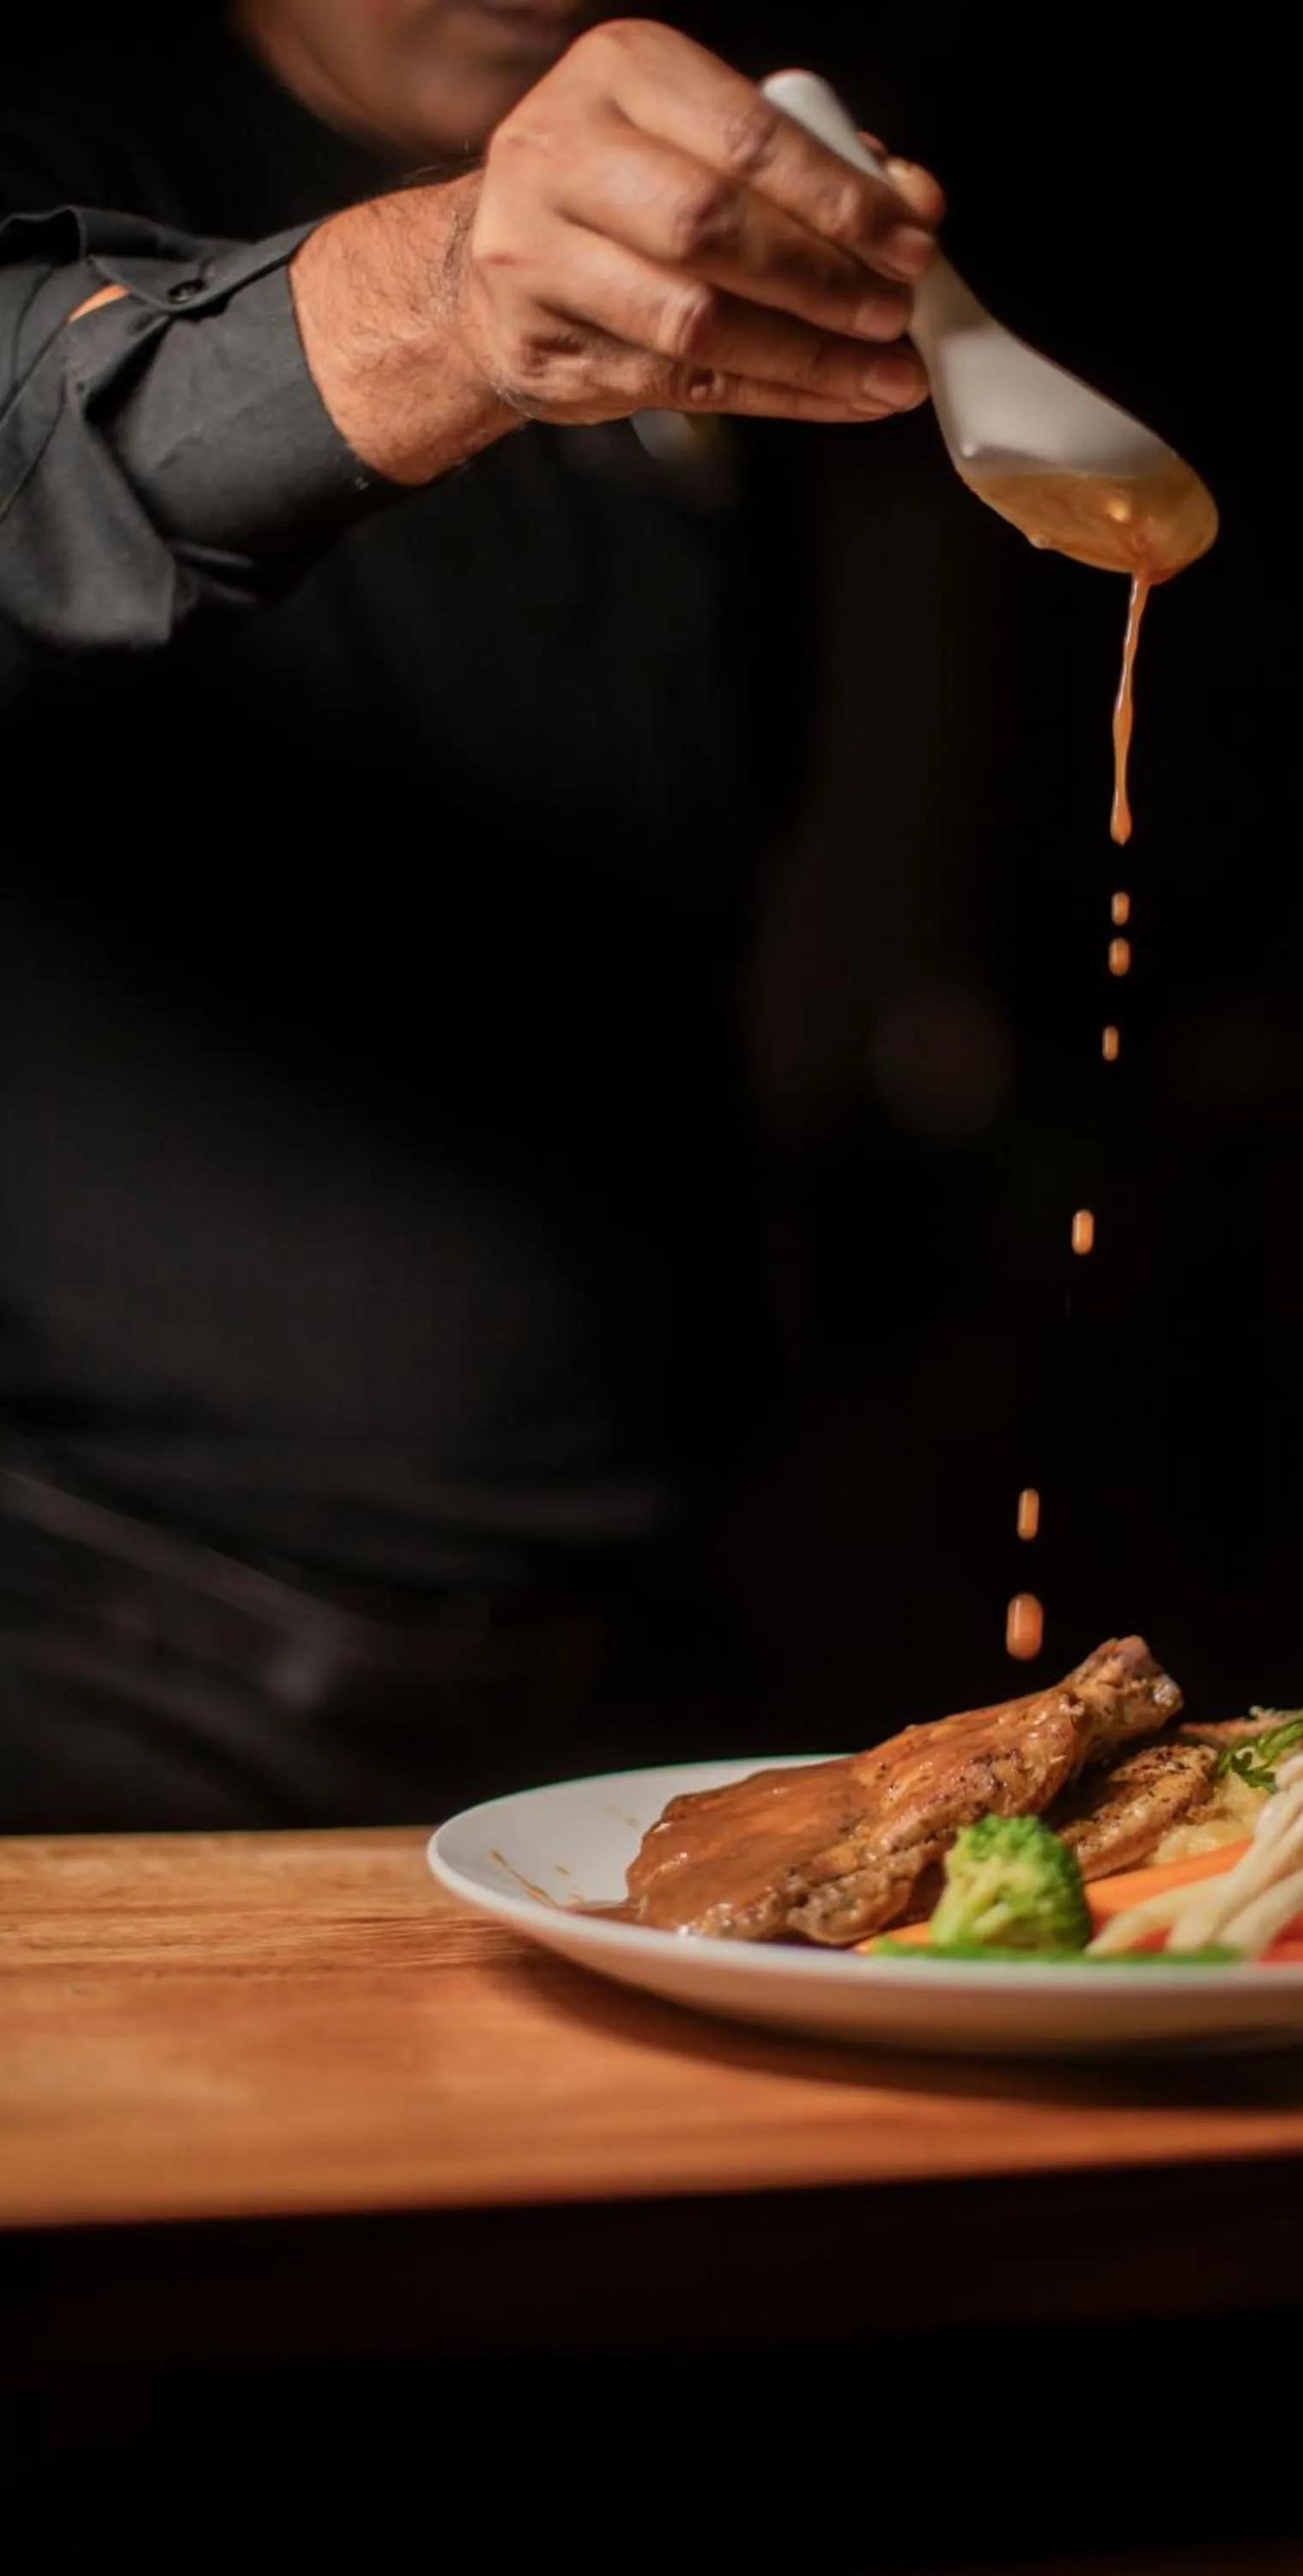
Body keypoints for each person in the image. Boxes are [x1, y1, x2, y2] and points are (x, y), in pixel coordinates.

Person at [0, 3, 947, 1830]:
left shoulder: (724, 220)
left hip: (640, 1641)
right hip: (120, 1656)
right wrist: (452, 302)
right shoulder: (70, 134)